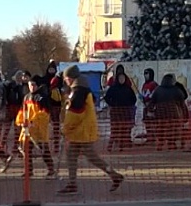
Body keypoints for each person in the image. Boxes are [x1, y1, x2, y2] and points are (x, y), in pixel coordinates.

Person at [57, 64, 124, 195]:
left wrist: (65, 129)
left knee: (91, 157)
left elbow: (75, 114)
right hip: (79, 131)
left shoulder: (78, 92)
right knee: (71, 156)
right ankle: (72, 183)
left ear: (70, 78)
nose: (65, 81)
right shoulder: (80, 89)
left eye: (66, 78)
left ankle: (114, 175)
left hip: (81, 131)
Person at [16, 76, 56, 177]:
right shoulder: (26, 97)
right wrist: (20, 121)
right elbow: (22, 111)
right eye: (30, 85)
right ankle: (29, 170)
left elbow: (45, 113)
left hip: (39, 128)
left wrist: (33, 121)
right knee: (26, 149)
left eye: (33, 85)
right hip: (27, 128)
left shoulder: (42, 97)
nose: (32, 87)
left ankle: (51, 169)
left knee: (43, 150)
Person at [147, 74, 188, 151]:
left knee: (161, 129)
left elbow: (152, 102)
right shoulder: (176, 90)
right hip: (173, 115)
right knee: (172, 130)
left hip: (160, 115)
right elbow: (183, 103)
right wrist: (185, 116)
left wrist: (150, 111)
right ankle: (171, 143)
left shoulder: (158, 90)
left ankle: (160, 144)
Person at [102, 64, 138, 152]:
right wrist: (112, 104)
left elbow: (134, 98)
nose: (122, 80)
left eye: (123, 78)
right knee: (115, 130)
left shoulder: (128, 88)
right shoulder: (113, 87)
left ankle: (122, 146)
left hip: (125, 112)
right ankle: (110, 146)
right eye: (120, 78)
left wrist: (129, 105)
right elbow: (107, 97)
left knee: (125, 129)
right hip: (116, 111)